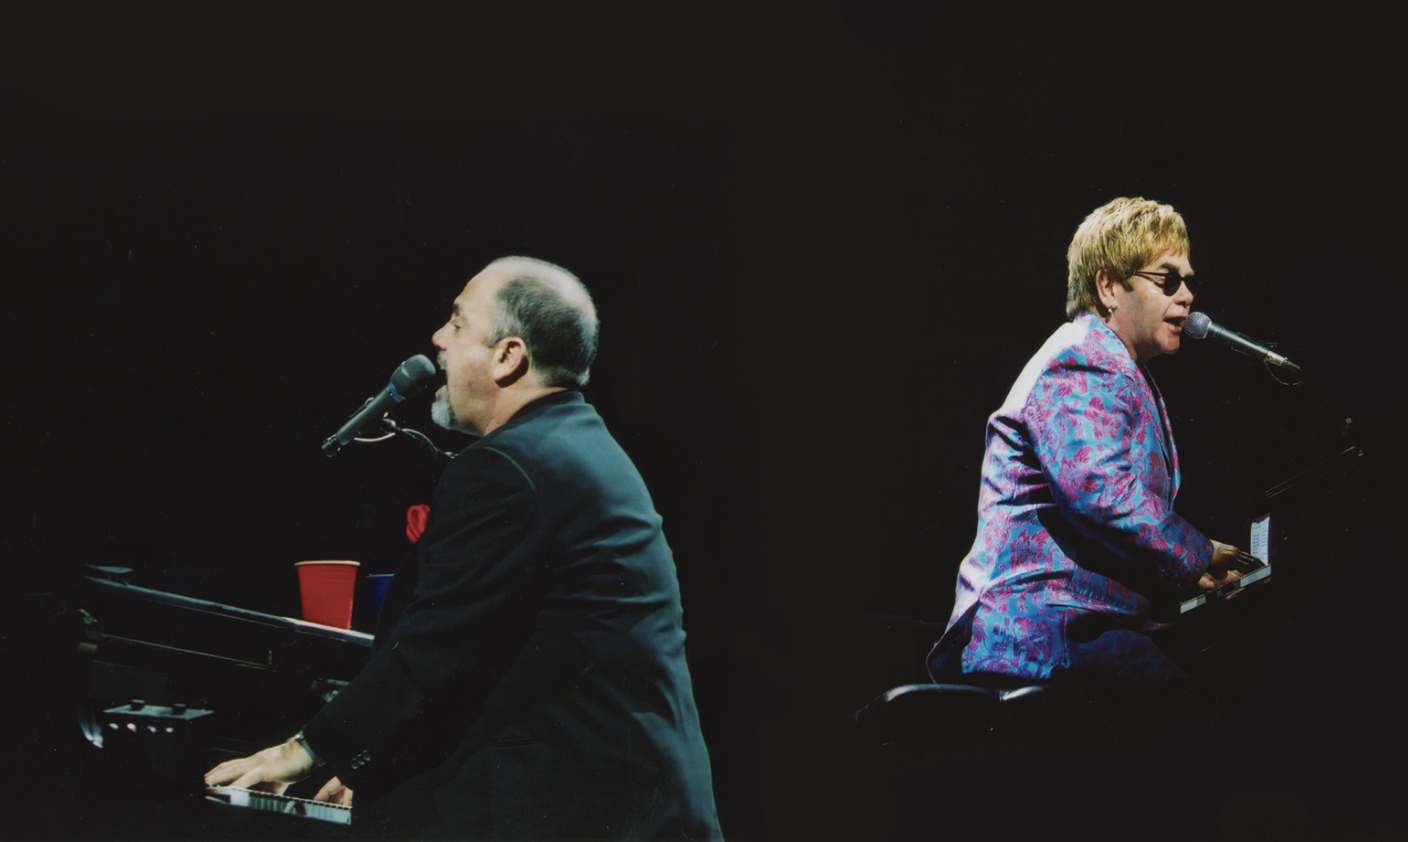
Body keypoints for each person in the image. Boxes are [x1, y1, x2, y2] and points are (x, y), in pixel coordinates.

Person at [206, 256, 722, 839]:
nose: (437, 339)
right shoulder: (574, 444)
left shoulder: (511, 466)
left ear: (508, 356)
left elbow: (433, 649)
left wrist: (303, 750)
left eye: (456, 324)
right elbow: (494, 656)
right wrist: (378, 762)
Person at [930, 198, 1258, 685]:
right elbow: (1100, 492)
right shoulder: (1082, 358)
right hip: (1040, 628)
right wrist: (1198, 552)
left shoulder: (1114, 364)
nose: (1188, 296)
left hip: (1074, 621)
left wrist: (1193, 577)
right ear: (1108, 287)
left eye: (1189, 281)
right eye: (1168, 280)